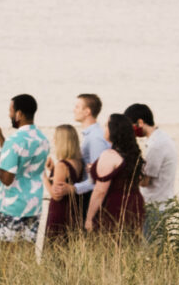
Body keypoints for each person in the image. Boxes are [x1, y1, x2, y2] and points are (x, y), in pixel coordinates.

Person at [0, 95, 49, 250]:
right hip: (33, 204)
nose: (9, 115)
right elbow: (22, 158)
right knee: (27, 252)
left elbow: (7, 178)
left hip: (11, 206)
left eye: (11, 111)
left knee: (7, 255)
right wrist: (0, 138)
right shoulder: (42, 139)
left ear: (19, 114)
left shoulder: (15, 140)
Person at [86, 113, 145, 238]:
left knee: (109, 245)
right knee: (130, 245)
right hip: (135, 204)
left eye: (107, 125)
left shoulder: (109, 155)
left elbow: (100, 191)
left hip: (116, 206)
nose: (104, 128)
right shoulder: (133, 155)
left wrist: (89, 218)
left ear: (114, 130)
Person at [128, 104, 177, 239]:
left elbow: (144, 181)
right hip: (161, 200)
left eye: (131, 126)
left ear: (140, 122)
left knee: (150, 247)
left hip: (155, 204)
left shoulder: (156, 145)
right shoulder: (161, 138)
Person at [44, 124, 84, 253]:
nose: (54, 141)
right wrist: (52, 170)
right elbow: (66, 180)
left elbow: (56, 194)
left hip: (60, 211)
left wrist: (43, 176)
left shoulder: (62, 165)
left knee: (54, 250)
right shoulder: (78, 162)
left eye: (56, 138)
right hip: (73, 211)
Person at [67, 93, 105, 222]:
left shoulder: (95, 138)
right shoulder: (90, 135)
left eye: (77, 107)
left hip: (91, 197)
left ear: (87, 111)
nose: (74, 109)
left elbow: (98, 177)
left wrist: (74, 188)